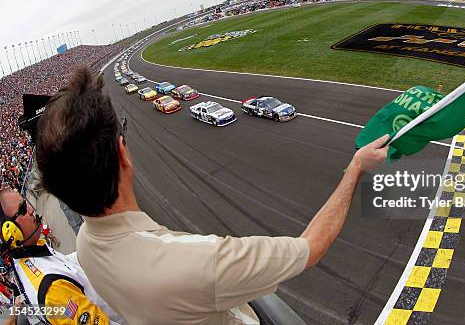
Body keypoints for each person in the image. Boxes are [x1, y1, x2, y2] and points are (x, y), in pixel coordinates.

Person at [35, 67, 389, 325]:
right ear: (122, 154)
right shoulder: (196, 262)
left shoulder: (85, 245)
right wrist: (355, 167)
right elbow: (310, 249)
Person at [0, 188, 124, 324]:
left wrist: (93, 248)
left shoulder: (30, 253)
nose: (31, 209)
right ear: (10, 233)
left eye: (26, 202)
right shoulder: (52, 290)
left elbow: (66, 265)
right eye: (22, 209)